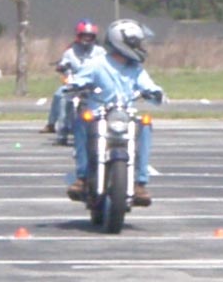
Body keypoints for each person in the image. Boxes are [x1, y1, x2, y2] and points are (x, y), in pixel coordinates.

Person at [65, 19, 165, 207]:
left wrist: (155, 93)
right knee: (81, 122)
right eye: (136, 43)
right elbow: (77, 81)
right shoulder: (96, 64)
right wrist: (75, 87)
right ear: (122, 42)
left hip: (124, 115)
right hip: (99, 114)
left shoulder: (136, 69)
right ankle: (82, 177)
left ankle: (140, 183)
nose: (140, 47)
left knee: (145, 124)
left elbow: (149, 86)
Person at [41, 19, 106, 136]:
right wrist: (62, 67)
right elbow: (64, 62)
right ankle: (54, 124)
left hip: (94, 83)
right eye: (84, 35)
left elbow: (107, 65)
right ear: (79, 35)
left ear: (94, 37)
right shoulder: (70, 51)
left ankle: (105, 124)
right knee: (59, 94)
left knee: (107, 96)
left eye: (90, 36)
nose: (87, 38)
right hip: (75, 82)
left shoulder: (100, 52)